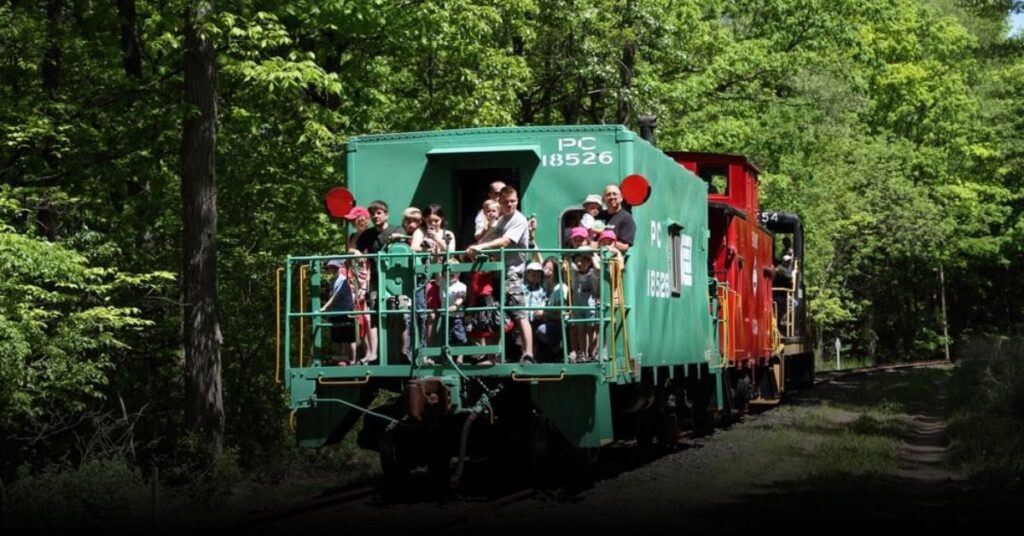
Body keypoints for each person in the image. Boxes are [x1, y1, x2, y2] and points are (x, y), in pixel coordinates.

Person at [466, 185, 535, 364]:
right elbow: (487, 238)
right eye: (506, 202)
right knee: (494, 314)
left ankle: (528, 354)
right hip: (497, 272)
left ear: (517, 200)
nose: (510, 205)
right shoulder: (502, 220)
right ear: (500, 202)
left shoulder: (518, 219)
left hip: (512, 273)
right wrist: (472, 248)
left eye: (513, 201)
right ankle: (492, 357)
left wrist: (481, 247)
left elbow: (505, 241)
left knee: (519, 313)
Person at [352, 200, 402, 364]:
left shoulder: (397, 230)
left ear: (386, 214)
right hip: (375, 279)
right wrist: (355, 252)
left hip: (396, 280)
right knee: (374, 315)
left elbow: (408, 247)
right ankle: (373, 353)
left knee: (401, 313)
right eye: (372, 213)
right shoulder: (368, 235)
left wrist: (399, 239)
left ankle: (403, 353)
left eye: (378, 213)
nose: (375, 216)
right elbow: (353, 248)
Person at [320, 259, 355, 364]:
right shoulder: (332, 281)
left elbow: (336, 296)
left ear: (339, 268)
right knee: (336, 336)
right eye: (331, 268)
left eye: (335, 267)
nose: (332, 269)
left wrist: (324, 308)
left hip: (344, 312)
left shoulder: (343, 281)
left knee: (344, 336)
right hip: (335, 313)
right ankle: (338, 356)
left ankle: (346, 357)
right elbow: (331, 296)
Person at [569, 246, 600, 362]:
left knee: (591, 329)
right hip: (578, 305)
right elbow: (567, 260)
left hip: (589, 305)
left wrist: (592, 255)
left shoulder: (593, 273)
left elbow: (598, 267)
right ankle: (582, 353)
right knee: (580, 329)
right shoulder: (574, 273)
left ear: (589, 262)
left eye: (582, 260)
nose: (579, 263)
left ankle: (591, 352)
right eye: (577, 261)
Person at [599, 184, 636, 255]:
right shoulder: (599, 216)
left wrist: (604, 243)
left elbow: (625, 246)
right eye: (608, 195)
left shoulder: (626, 218)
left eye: (614, 194)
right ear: (603, 199)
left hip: (613, 260)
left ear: (621, 198)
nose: (612, 197)